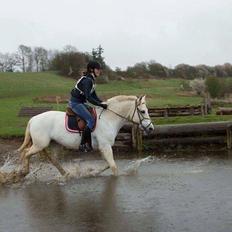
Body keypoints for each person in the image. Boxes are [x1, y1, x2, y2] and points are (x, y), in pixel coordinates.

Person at [69, 61, 107, 152]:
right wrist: (99, 104)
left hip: (81, 103)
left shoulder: (91, 80)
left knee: (94, 114)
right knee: (90, 120)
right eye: (97, 69)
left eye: (99, 69)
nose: (99, 71)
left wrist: (103, 103)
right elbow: (88, 97)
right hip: (76, 103)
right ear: (91, 69)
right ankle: (83, 144)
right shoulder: (87, 81)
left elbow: (94, 96)